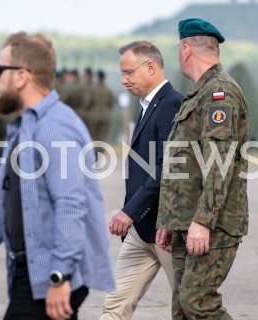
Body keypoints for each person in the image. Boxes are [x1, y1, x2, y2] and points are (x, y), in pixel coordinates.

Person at [0, 32, 115, 320]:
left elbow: (71, 205)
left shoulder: (55, 129)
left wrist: (58, 276)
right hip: (33, 270)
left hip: (48, 274)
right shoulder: (26, 128)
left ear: (21, 77)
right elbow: (12, 207)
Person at [156, 19, 249, 319]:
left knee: (198, 302)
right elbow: (186, 163)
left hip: (212, 223)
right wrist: (170, 219)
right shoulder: (199, 92)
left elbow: (219, 164)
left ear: (185, 49)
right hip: (186, 220)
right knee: (182, 307)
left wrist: (204, 221)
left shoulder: (218, 92)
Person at [101, 40, 182, 320]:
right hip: (141, 230)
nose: (123, 80)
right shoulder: (148, 104)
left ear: (150, 68)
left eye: (128, 73)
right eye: (122, 74)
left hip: (168, 230)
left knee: (190, 309)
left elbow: (166, 169)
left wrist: (129, 211)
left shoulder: (172, 104)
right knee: (115, 305)